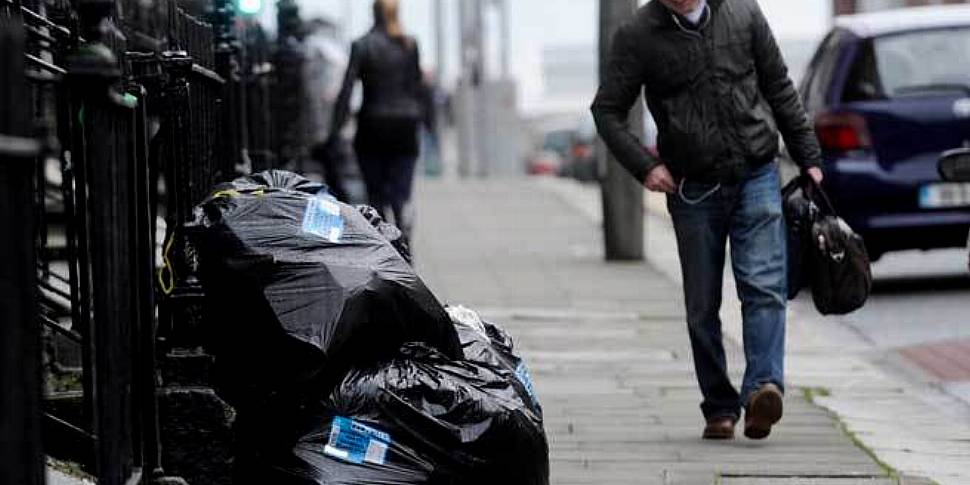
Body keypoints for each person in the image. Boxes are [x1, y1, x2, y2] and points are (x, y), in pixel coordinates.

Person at [591, 0, 824, 441]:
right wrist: (645, 165)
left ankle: (762, 391)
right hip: (692, 186)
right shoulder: (638, 34)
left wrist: (808, 156)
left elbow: (778, 85)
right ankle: (719, 405)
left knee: (763, 287)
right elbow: (607, 110)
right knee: (702, 306)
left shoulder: (743, 12)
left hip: (756, 170)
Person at [327, 0, 428, 239]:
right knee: (401, 193)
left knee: (376, 194)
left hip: (373, 127)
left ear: (373, 13)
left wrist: (334, 132)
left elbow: (346, 90)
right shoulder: (409, 44)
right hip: (405, 128)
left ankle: (384, 245)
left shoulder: (361, 45)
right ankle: (405, 234)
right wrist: (423, 121)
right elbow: (416, 87)